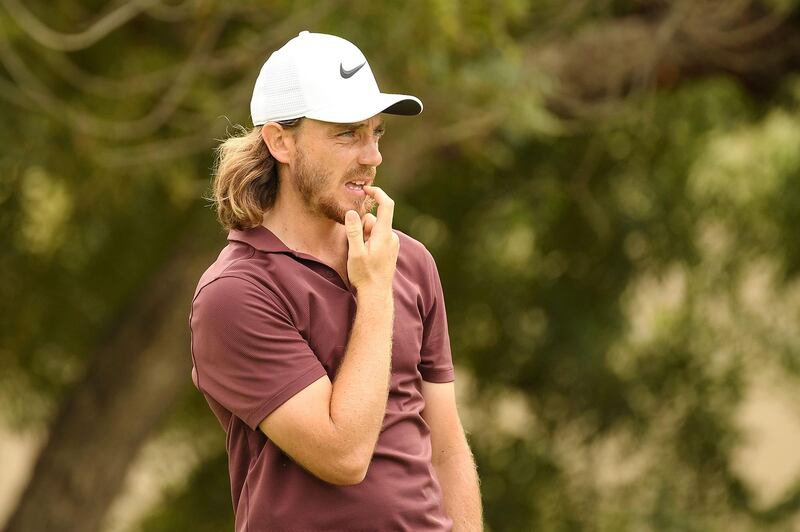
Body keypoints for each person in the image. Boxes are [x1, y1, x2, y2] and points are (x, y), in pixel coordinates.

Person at [189, 30, 482, 531]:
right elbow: (342, 455)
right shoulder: (234, 295)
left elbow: (447, 445)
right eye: (347, 133)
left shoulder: (407, 260)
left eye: (376, 133)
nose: (372, 156)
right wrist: (374, 293)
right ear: (281, 141)